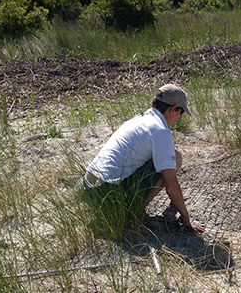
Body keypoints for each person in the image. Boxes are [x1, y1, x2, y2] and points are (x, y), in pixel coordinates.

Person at [82, 84, 204, 237]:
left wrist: (175, 201)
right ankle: (130, 212)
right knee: (176, 158)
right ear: (173, 109)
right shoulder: (160, 129)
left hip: (88, 190)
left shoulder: (138, 119)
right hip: (108, 195)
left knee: (164, 159)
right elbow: (171, 185)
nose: (178, 118)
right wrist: (186, 218)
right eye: (181, 113)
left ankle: (116, 208)